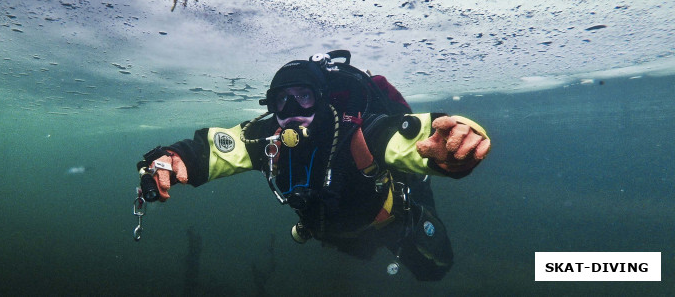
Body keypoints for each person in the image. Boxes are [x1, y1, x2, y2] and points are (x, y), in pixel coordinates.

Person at [136, 50, 490, 280]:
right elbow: (218, 148)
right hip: (333, 234)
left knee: (435, 270)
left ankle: (419, 196)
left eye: (303, 98)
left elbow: (408, 138)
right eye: (282, 101)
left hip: (390, 223)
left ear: (321, 100)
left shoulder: (359, 131)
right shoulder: (267, 137)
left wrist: (455, 143)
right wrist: (175, 158)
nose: (292, 112)